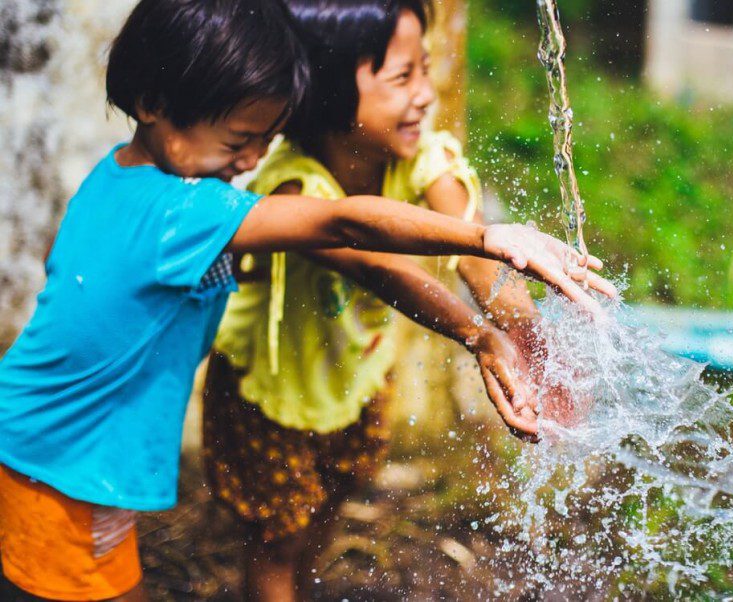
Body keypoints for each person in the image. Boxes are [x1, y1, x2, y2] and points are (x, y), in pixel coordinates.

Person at [0, 1, 613, 599]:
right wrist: (484, 238)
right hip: (57, 458)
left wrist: (505, 325)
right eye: (239, 140)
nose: (250, 161)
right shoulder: (181, 211)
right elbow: (343, 223)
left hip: (54, 445)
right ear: (153, 103)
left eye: (264, 140)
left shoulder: (121, 178)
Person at [201, 2, 581, 599]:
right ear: (327, 89)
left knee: (330, 503)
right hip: (269, 389)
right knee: (277, 539)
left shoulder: (423, 156)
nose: (426, 95)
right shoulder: (294, 187)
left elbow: (479, 256)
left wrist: (531, 340)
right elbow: (381, 268)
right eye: (403, 77)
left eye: (425, 69)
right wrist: (478, 335)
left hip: (359, 373)